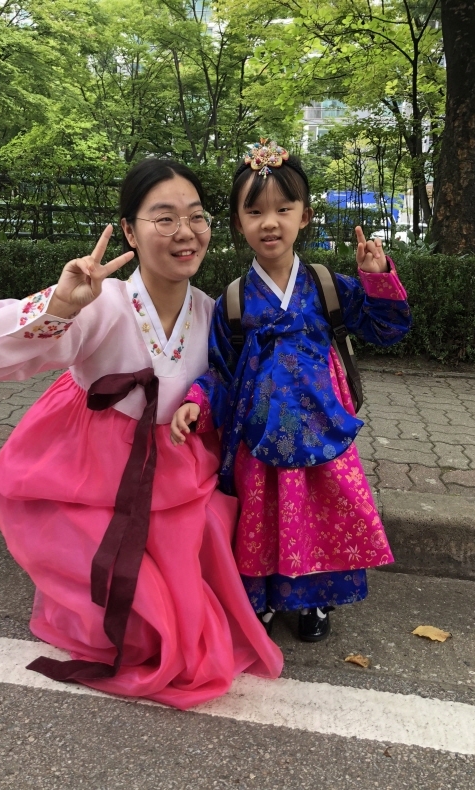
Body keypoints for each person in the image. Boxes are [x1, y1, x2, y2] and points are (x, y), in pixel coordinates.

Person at [0, 158, 283, 710]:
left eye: (196, 217)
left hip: (174, 467)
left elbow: (233, 389)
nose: (185, 232)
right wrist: (60, 306)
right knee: (138, 623)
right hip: (91, 466)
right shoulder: (100, 300)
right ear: (129, 230)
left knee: (184, 613)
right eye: (164, 218)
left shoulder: (213, 313)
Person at [171, 141, 411, 642]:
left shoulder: (326, 286)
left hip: (323, 432)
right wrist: (195, 402)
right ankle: (259, 600)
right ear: (238, 223)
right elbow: (220, 373)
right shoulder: (233, 301)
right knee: (263, 519)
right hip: (258, 439)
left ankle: (315, 601)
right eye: (254, 211)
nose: (270, 222)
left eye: (283, 209)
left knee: (321, 517)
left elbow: (387, 330)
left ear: (305, 216)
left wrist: (375, 279)